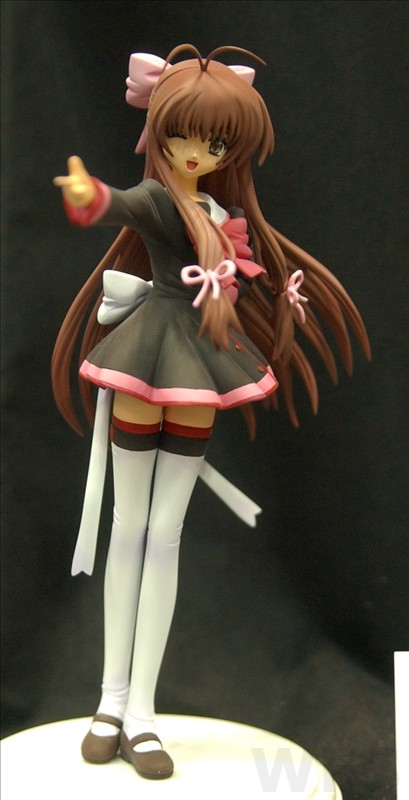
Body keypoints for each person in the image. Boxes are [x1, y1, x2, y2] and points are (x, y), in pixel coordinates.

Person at [52, 44, 370, 779]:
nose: (195, 153)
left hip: (200, 363)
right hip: (146, 355)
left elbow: (247, 277)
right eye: (181, 136)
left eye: (214, 142)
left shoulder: (226, 216)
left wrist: (277, 299)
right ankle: (108, 700)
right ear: (159, 132)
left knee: (165, 534)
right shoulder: (160, 200)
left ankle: (142, 712)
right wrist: (88, 197)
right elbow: (115, 204)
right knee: (128, 529)